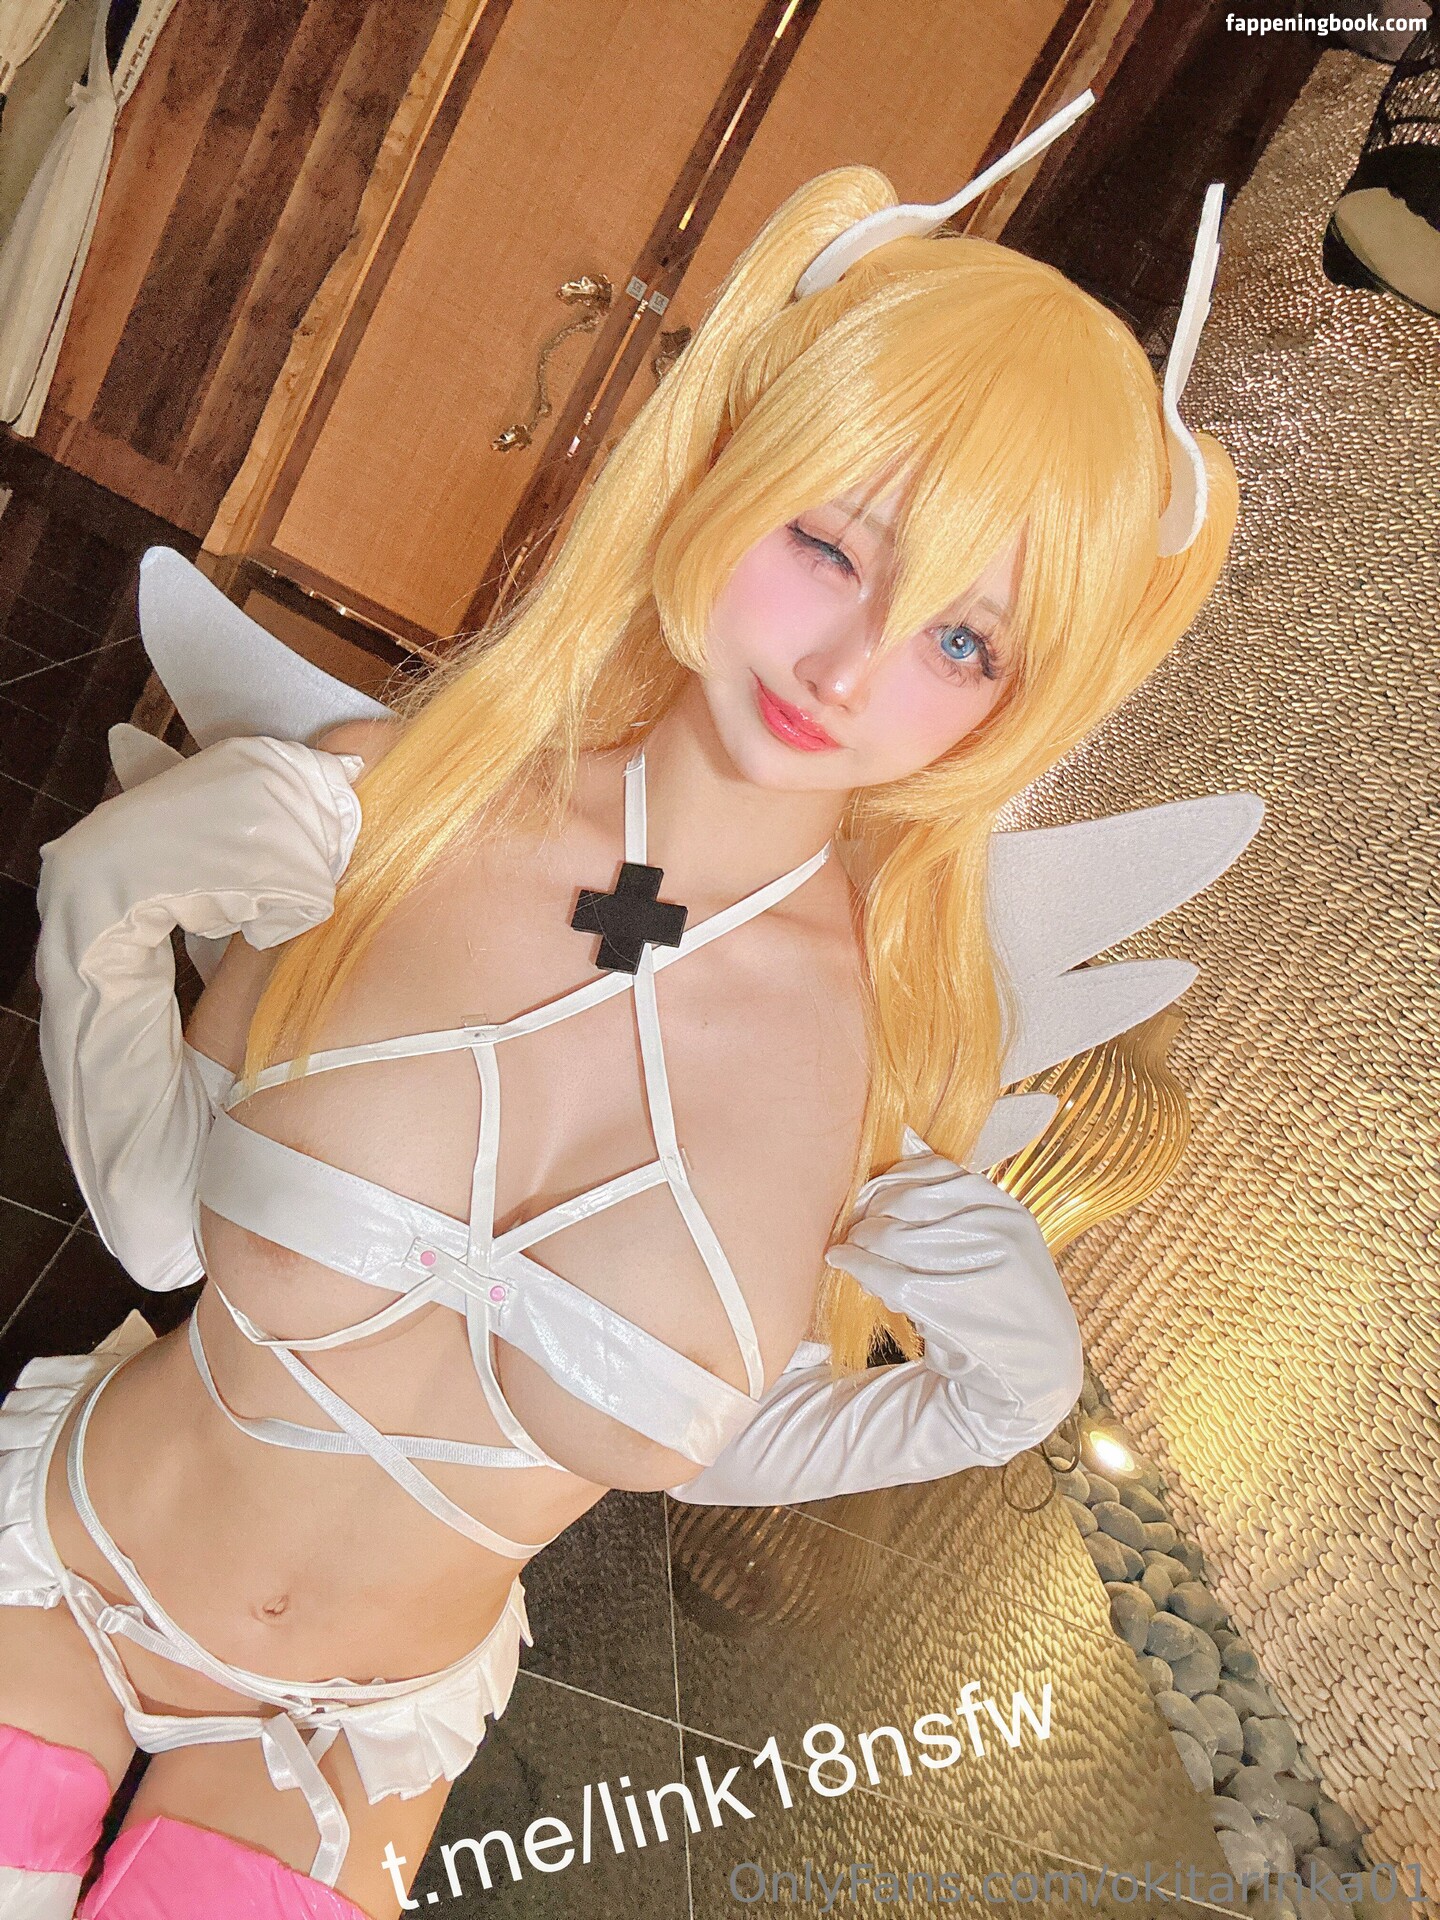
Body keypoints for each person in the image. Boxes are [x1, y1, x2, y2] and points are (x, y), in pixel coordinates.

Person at [0, 137, 1254, 1920]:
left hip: (353, 1745)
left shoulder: (887, 1070)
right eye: (827, 544)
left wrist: (988, 1405)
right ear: (728, 468)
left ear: (1023, 703)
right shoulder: (397, 813)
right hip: (59, 1568)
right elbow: (151, 1220)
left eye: (965, 645)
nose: (846, 670)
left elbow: (689, 1427)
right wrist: (112, 904)